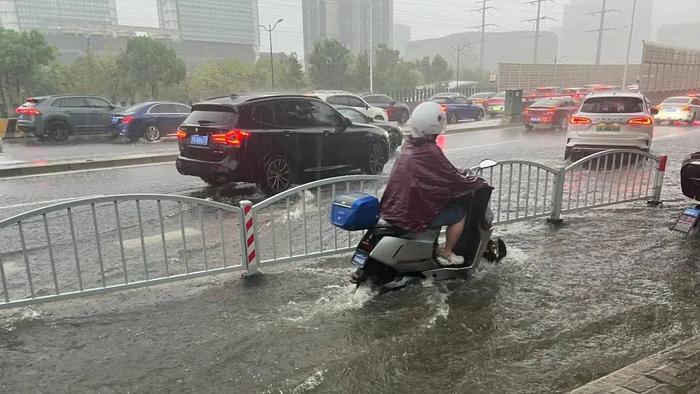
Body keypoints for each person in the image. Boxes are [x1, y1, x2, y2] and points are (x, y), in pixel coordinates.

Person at [380, 101, 491, 266]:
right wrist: (476, 182)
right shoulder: (429, 150)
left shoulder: (408, 145)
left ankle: (432, 248)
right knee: (459, 213)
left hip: (396, 208)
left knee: (438, 206)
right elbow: (450, 177)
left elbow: (439, 173)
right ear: (436, 124)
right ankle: (447, 252)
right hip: (411, 213)